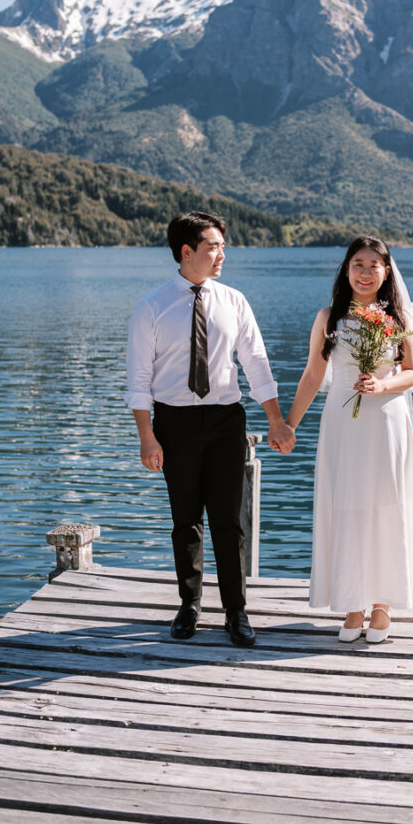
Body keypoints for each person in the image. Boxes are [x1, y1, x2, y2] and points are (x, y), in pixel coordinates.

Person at [126, 210, 295, 648]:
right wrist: (147, 436)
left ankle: (236, 612)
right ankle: (190, 605)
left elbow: (256, 364)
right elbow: (138, 380)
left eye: (223, 245)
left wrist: (276, 419)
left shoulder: (234, 301)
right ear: (187, 252)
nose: (222, 254)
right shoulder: (151, 307)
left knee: (228, 521)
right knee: (185, 520)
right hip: (174, 422)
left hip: (225, 420)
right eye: (213, 246)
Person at [285, 236, 413, 643]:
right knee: (347, 504)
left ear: (387, 273)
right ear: (346, 270)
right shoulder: (329, 317)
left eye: (374, 265)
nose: (365, 273)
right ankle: (353, 603)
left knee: (386, 502)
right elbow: (314, 375)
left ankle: (383, 604)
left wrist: (383, 386)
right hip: (342, 423)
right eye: (358, 264)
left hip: (386, 419)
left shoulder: (399, 318)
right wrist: (289, 424)